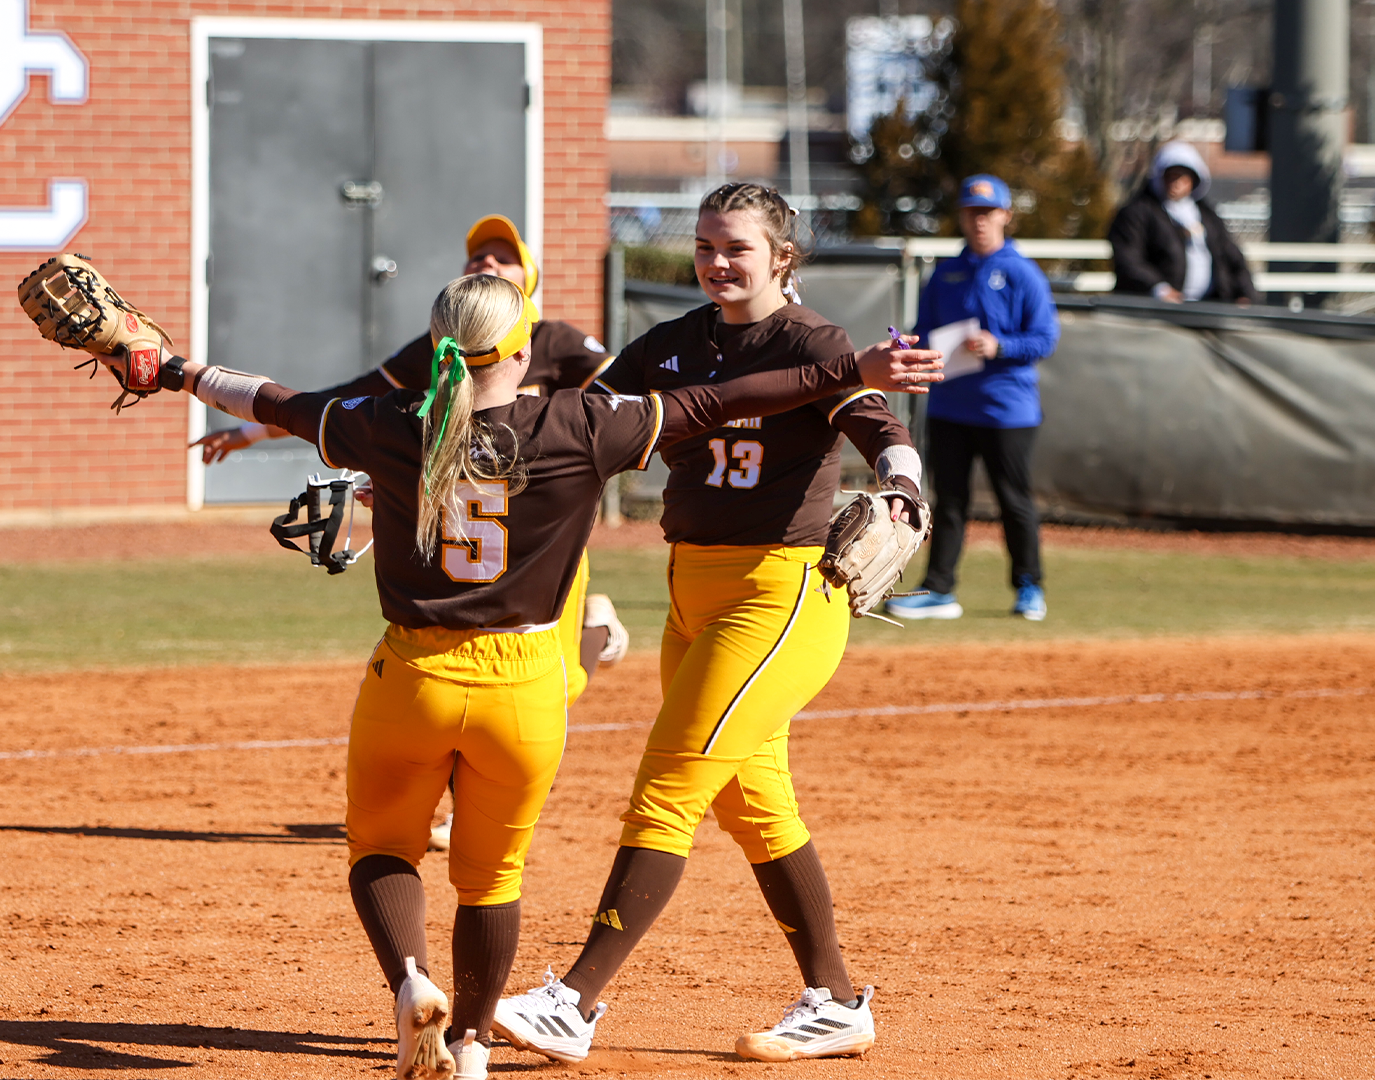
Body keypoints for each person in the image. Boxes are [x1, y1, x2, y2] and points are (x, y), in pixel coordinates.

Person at [138, 274, 940, 1080]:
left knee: (383, 846)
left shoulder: (390, 422)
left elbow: (270, 398)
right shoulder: (579, 424)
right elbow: (722, 400)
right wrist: (853, 370)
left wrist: (173, 370)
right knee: (496, 876)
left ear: (438, 349)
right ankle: (476, 1044)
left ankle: (428, 982)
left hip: (413, 674)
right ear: (525, 352)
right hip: (525, 686)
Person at [490, 183, 928, 1065]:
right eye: (705, 246)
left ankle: (574, 1000)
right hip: (690, 590)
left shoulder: (813, 343)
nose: (717, 262)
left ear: (782, 257)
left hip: (780, 594)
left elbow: (879, 425)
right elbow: (583, 419)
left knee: (669, 786)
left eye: (737, 247)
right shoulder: (673, 343)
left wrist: (903, 484)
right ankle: (836, 1002)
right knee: (755, 805)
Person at [195, 215, 629, 702]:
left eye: (504, 258)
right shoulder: (440, 348)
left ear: (530, 278)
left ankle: (596, 630)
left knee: (561, 687)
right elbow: (347, 400)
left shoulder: (551, 341)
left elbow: (623, 391)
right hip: (455, 528)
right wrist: (252, 431)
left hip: (540, 544)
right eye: (478, 256)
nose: (487, 262)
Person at [888, 174, 1059, 623]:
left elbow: (1045, 338)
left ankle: (1029, 586)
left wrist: (999, 345)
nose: (979, 220)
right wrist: (910, 345)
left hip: (1008, 409)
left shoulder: (1023, 272)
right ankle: (939, 589)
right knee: (949, 500)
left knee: (1013, 501)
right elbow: (925, 331)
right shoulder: (947, 272)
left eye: (987, 212)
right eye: (971, 212)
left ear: (1005, 215)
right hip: (950, 405)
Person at [1108, 141, 1259, 304]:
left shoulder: (1207, 215)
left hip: (1209, 305)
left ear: (1194, 179)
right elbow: (1127, 258)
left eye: (1182, 177)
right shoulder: (1138, 213)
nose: (1176, 183)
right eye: (1171, 176)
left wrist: (1245, 293)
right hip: (1155, 308)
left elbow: (1232, 257)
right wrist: (1159, 289)